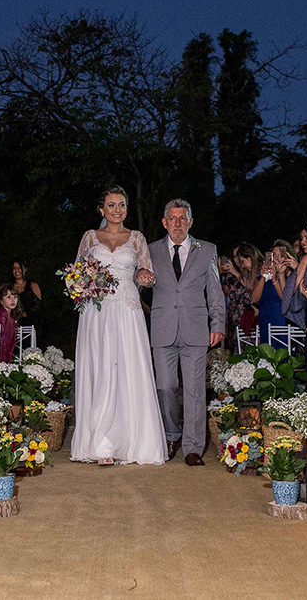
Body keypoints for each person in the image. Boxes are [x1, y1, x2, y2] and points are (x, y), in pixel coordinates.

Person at [72, 186, 166, 466]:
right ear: (101, 210)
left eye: (121, 205)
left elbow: (146, 273)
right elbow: (77, 273)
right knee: (100, 368)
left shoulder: (136, 238)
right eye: (111, 205)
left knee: (127, 369)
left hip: (127, 310)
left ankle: (131, 440)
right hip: (97, 312)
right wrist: (80, 285)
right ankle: (100, 443)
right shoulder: (90, 237)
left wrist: (146, 278)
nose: (117, 210)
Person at [148, 198, 226, 466]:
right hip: (162, 329)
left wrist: (217, 325)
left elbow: (215, 291)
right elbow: (138, 285)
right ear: (164, 222)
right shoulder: (151, 250)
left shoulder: (207, 250)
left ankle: (193, 447)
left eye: (183, 218)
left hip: (196, 330)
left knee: (194, 391)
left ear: (191, 222)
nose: (178, 223)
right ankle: (171, 435)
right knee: (165, 387)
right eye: (173, 218)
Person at [253, 240, 292, 344]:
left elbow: (286, 299)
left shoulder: (290, 275)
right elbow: (254, 299)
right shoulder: (266, 277)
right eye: (274, 255)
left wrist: (277, 278)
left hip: (281, 322)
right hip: (265, 320)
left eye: (280, 255)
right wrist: (263, 276)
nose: (276, 259)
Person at [9, 258, 42, 335]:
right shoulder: (9, 287)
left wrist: (23, 314)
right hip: (14, 325)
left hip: (30, 326)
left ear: (25, 269)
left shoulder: (33, 286)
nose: (17, 270)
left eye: (19, 268)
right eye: (14, 268)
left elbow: (38, 307)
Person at [0, 283, 19, 363]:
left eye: (15, 296)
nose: (13, 300)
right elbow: (1, 341)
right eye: (8, 297)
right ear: (0, 301)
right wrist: (2, 363)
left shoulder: (7, 315)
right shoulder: (1, 315)